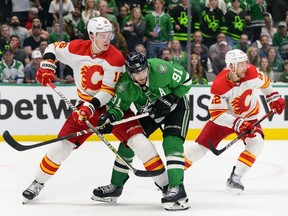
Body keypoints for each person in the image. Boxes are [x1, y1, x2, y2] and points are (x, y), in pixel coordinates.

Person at [21, 17, 168, 204]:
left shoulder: (115, 58)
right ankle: (37, 183)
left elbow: (107, 91)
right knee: (61, 148)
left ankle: (167, 188)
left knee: (141, 144)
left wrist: (91, 106)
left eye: (109, 35)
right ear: (91, 35)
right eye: (102, 36)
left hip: (115, 107)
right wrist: (48, 64)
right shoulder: (76, 48)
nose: (107, 40)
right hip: (85, 107)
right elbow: (52, 47)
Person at [92, 51, 192, 211]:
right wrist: (109, 118)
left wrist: (172, 97)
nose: (141, 75)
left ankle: (178, 190)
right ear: (129, 72)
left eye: (143, 70)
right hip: (150, 112)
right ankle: (116, 186)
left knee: (171, 144)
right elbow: (118, 108)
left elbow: (186, 80)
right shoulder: (124, 85)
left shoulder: (160, 68)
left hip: (176, 107)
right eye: (136, 73)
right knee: (128, 142)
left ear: (147, 66)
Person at [184, 49, 286, 195]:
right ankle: (175, 174)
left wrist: (273, 98)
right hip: (224, 120)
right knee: (198, 149)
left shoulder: (251, 73)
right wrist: (238, 123)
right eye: (241, 64)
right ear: (231, 67)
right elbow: (218, 114)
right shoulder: (219, 86)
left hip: (249, 117)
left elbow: (265, 84)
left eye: (245, 63)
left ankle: (235, 178)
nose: (246, 66)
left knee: (257, 142)